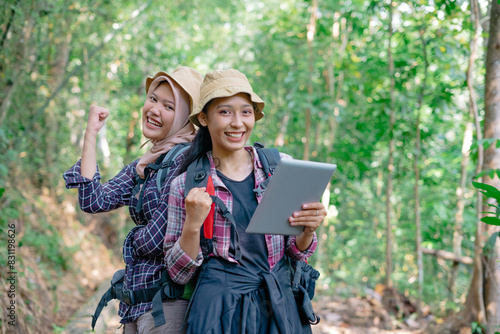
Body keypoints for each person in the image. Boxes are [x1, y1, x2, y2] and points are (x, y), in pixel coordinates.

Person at [163, 69, 327, 333]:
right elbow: (178, 274)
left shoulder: (280, 167)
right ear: (204, 118)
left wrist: (307, 229)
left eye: (246, 112)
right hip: (218, 314)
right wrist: (193, 224)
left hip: (278, 307)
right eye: (225, 112)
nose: (237, 123)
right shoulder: (185, 185)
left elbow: (297, 252)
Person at [63, 66, 202, 333]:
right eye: (153, 99)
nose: (154, 110)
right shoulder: (145, 165)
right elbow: (93, 201)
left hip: (167, 309)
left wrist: (130, 240)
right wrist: (91, 134)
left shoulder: (187, 163)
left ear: (186, 117)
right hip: (134, 307)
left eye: (169, 106)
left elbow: (157, 240)